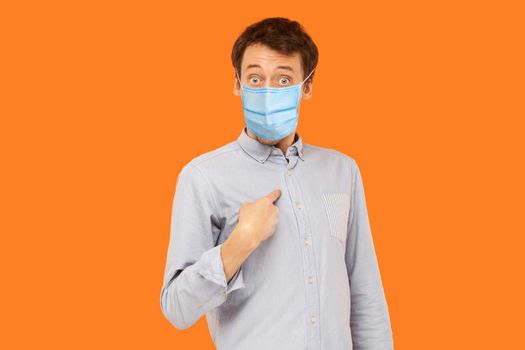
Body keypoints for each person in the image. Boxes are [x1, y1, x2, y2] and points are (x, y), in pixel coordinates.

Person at [160, 17, 394, 350]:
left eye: (284, 79)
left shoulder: (342, 171)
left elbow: (364, 290)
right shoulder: (203, 178)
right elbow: (177, 309)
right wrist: (239, 243)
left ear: (307, 86)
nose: (268, 91)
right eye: (255, 78)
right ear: (238, 84)